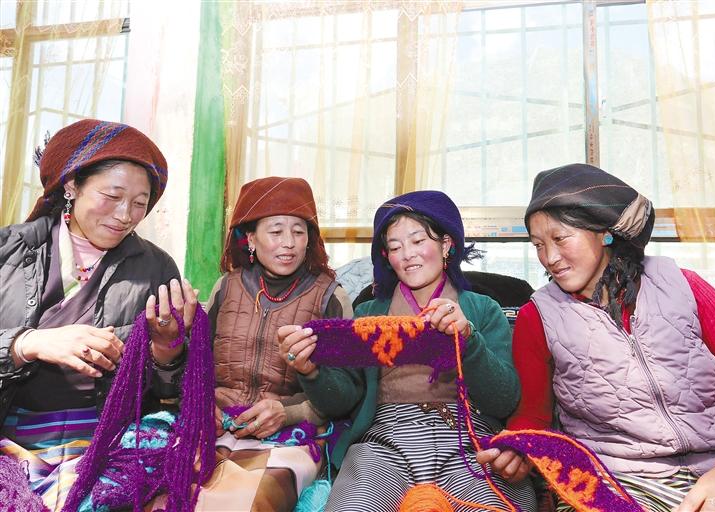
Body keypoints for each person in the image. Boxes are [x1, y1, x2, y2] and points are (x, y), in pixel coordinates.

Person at [477, 163, 715, 512]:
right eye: (538, 244)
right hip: (616, 481)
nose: (549, 258)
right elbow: (532, 417)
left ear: (604, 233)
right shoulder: (536, 316)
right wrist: (518, 446)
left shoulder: (685, 286)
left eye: (560, 238)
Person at [281, 190, 538, 512]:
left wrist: (468, 340)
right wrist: (311, 371)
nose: (407, 255)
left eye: (418, 241)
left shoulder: (483, 309)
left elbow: (504, 400)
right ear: (386, 256)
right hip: (385, 442)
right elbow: (341, 401)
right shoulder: (368, 313)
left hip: (469, 441)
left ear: (446, 244)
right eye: (395, 247)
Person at [0, 119, 198, 510]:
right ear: (71, 186)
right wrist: (27, 343)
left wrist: (167, 350)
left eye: (139, 203)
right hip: (12, 438)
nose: (125, 215)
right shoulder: (8, 252)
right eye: (112, 196)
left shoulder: (156, 268)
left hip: (104, 441)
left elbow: (167, 396)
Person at [202, 176, 352, 511]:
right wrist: (203, 404)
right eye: (276, 231)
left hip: (292, 436)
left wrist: (289, 412)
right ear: (251, 238)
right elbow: (196, 364)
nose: (289, 243)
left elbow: (346, 392)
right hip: (216, 426)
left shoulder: (330, 297)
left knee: (252, 501)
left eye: (299, 232)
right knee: (170, 491)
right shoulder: (226, 287)